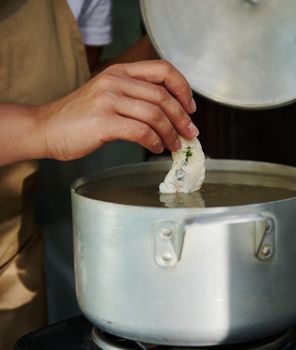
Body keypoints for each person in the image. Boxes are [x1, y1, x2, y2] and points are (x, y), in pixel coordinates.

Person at [0, 0, 198, 348]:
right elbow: (50, 117)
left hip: (12, 259)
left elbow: (69, 96)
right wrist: (42, 126)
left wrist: (172, 37)